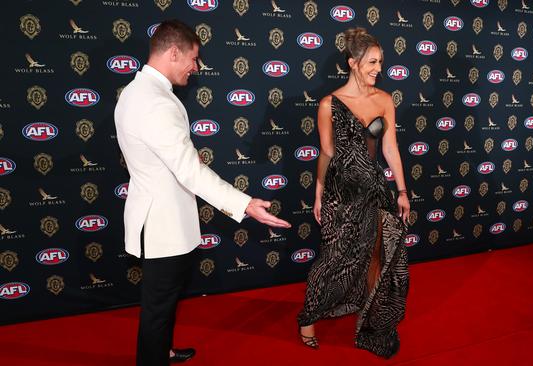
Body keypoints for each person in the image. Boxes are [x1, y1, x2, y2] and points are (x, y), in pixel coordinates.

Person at [114, 20, 291, 366]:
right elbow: (189, 171)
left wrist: (185, 159)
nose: (196, 68)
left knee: (162, 306)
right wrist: (246, 204)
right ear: (174, 51)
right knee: (158, 309)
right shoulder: (156, 103)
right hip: (162, 227)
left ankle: (162, 351)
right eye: (193, 59)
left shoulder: (139, 92)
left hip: (159, 219)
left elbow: (169, 159)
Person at [297, 27, 410, 358]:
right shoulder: (328, 105)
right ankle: (307, 320)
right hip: (339, 193)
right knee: (333, 257)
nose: (379, 69)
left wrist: (402, 190)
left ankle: (372, 317)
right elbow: (327, 153)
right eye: (373, 62)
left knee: (380, 255)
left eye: (381, 62)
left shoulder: (385, 100)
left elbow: (391, 149)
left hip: (375, 191)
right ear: (353, 63)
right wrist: (318, 194)